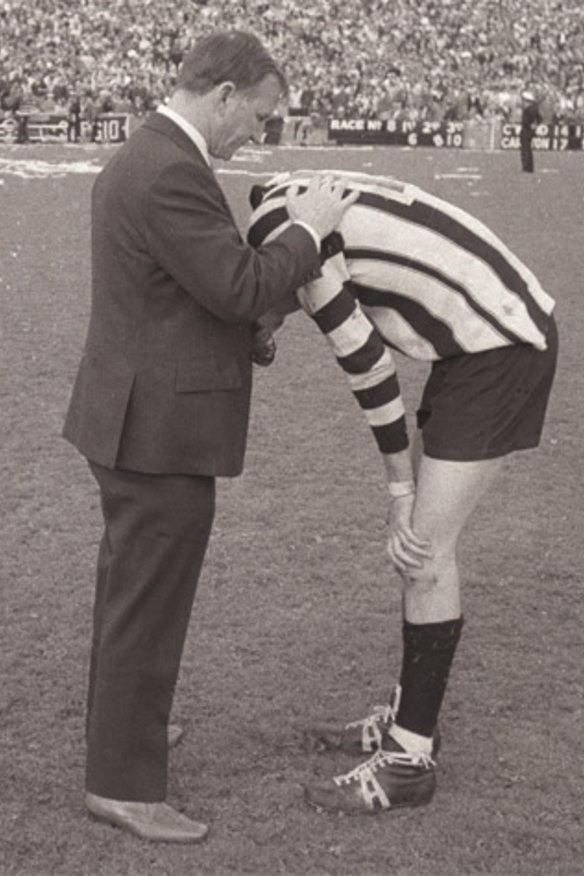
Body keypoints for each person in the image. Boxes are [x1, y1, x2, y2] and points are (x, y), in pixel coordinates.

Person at [62, 32, 357, 844]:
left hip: (135, 414)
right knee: (147, 606)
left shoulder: (154, 155)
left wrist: (254, 322)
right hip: (155, 428)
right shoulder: (168, 168)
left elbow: (186, 293)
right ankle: (122, 782)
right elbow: (234, 285)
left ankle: (120, 733)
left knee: (131, 593)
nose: (256, 136)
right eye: (258, 118)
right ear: (223, 94)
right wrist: (310, 229)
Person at [248, 169, 558, 815]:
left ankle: (408, 761)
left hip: (498, 348)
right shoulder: (274, 211)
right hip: (476, 341)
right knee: (421, 544)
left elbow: (370, 369)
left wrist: (398, 489)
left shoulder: (296, 252)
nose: (266, 333)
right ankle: (406, 723)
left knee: (423, 547)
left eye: (257, 330)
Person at [519, 91, 542, 173]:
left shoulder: (530, 109)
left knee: (525, 149)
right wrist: (535, 125)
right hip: (529, 130)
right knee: (527, 148)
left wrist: (533, 125)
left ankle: (527, 167)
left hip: (526, 130)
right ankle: (528, 166)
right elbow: (539, 119)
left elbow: (536, 119)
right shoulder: (534, 108)